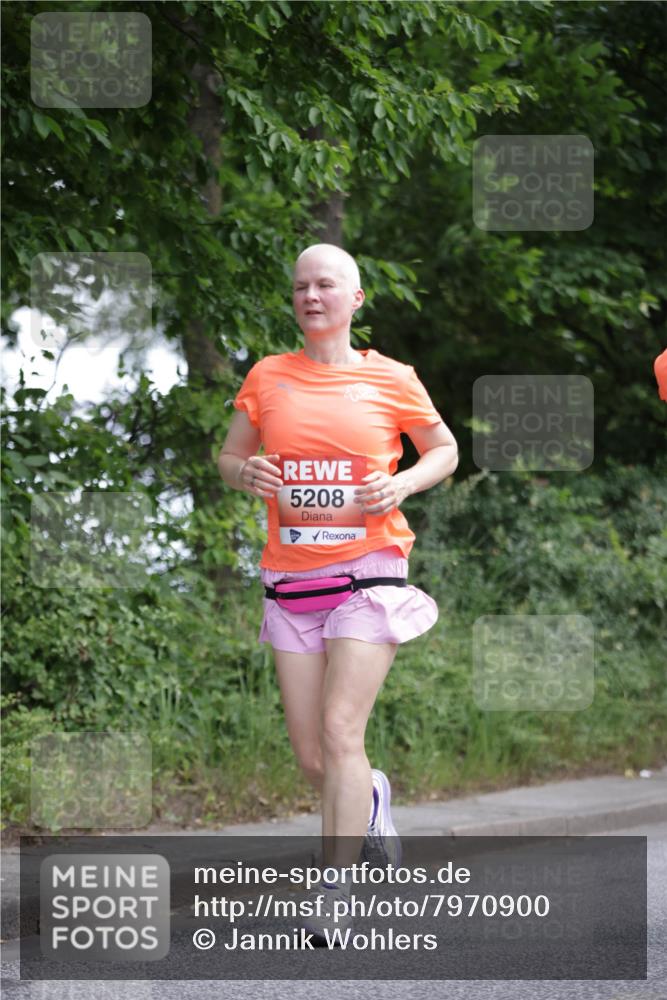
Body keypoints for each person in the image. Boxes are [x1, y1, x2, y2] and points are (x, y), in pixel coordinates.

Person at [218, 243, 458, 941]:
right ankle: (373, 794)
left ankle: (335, 891)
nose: (310, 296)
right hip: (291, 578)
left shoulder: (392, 378)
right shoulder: (268, 376)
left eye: (325, 285)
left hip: (369, 572)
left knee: (339, 729)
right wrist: (247, 474)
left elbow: (442, 448)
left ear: (355, 299)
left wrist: (403, 481)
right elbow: (230, 456)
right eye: (300, 287)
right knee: (314, 759)